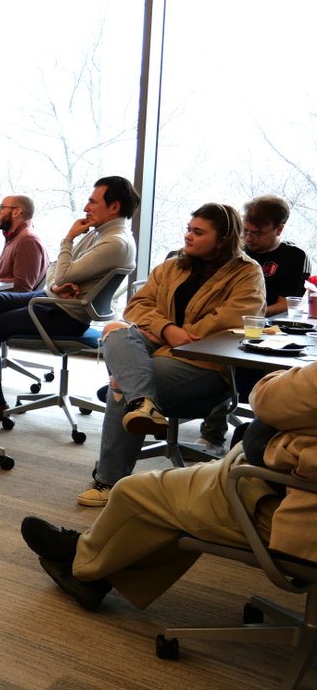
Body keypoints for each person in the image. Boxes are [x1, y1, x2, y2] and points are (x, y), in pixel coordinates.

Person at [20, 360, 317, 612]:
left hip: (289, 506)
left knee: (134, 492)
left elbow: (265, 396)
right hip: (282, 482)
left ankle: (82, 565)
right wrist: (167, 327)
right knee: (124, 348)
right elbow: (141, 309)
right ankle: (97, 570)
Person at [76, 202, 265, 508]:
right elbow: (137, 307)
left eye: (198, 232)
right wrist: (166, 329)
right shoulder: (173, 265)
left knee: (121, 385)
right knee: (116, 328)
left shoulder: (247, 273)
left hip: (205, 365)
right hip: (158, 349)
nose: (188, 236)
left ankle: (108, 480)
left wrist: (166, 336)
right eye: (189, 229)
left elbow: (226, 323)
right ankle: (144, 405)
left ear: (222, 240)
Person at [0, 176, 139, 421]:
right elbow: (55, 269)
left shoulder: (114, 242)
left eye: (92, 202)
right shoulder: (98, 235)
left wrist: (68, 239)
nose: (86, 208)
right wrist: (56, 284)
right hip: (54, 300)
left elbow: (62, 272)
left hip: (64, 314)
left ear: (114, 206)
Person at [197, 195, 312, 452]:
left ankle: (258, 432)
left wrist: (250, 313)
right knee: (219, 360)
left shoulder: (294, 256)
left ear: (279, 229)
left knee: (272, 372)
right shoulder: (234, 250)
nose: (249, 239)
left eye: (257, 233)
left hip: (270, 329)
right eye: (246, 231)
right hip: (227, 324)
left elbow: (286, 304)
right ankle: (212, 434)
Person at [0, 195, 48, 292]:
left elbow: (22, 287)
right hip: (5, 298)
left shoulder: (27, 240)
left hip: (11, 303)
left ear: (16, 212)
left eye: (2, 207)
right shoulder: (15, 238)